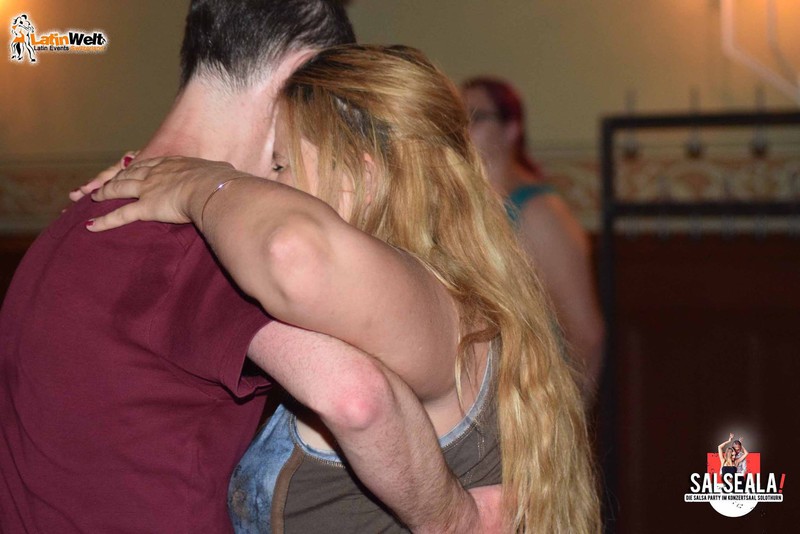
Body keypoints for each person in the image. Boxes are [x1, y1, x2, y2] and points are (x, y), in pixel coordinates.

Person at [1, 3, 491, 533]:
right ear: (299, 73)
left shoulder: (86, 214)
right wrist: (454, 519)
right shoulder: (214, 247)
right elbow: (357, 396)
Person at [85, 44, 601, 533]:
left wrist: (200, 185)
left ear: (359, 176)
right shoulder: (429, 289)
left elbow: (292, 253)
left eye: (280, 164)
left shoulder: (436, 301)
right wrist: (161, 176)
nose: (266, 182)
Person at [461, 77, 605, 399]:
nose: (462, 127)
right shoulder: (470, 207)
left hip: (536, 400)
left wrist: (567, 415)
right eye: (456, 116)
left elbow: (587, 334)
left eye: (475, 117)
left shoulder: (540, 212)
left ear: (511, 129)